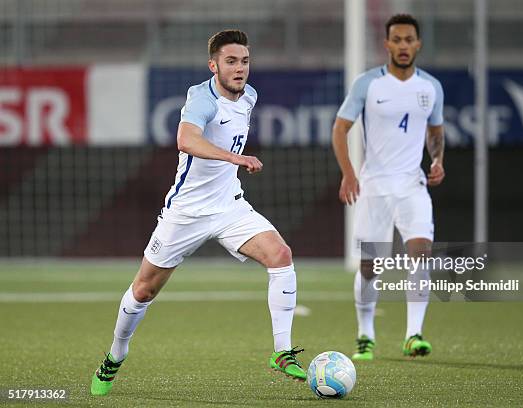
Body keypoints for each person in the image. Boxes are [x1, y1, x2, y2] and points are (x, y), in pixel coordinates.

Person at [90, 30, 306, 396]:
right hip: (186, 213)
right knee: (143, 291)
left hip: (229, 206)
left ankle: (282, 352)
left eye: (245, 61)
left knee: (281, 255)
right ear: (214, 65)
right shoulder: (201, 99)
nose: (240, 69)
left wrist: (232, 167)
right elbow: (186, 140)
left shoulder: (250, 96)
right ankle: (115, 355)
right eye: (231, 61)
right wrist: (235, 157)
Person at [331, 14, 445, 361]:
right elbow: (340, 129)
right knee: (370, 266)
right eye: (397, 39)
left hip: (413, 185)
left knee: (421, 252)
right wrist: (349, 173)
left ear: (418, 43)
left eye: (409, 39)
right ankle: (366, 334)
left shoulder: (430, 88)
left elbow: (435, 132)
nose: (404, 45)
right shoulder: (368, 84)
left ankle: (414, 334)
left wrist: (437, 160)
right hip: (375, 187)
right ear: (387, 44)